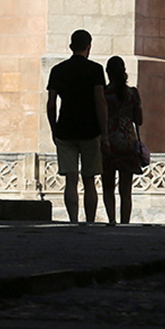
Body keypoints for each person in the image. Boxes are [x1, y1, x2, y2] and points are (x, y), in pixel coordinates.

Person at [46, 30, 110, 223]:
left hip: (65, 128)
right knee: (89, 180)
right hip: (90, 130)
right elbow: (100, 101)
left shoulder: (57, 70)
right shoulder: (95, 70)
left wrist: (53, 127)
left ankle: (73, 220)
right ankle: (90, 221)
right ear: (88, 46)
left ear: (71, 46)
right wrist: (105, 132)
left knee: (70, 180)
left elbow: (51, 103)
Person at [100, 56, 144, 225]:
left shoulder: (103, 94)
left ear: (108, 73)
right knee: (126, 190)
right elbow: (139, 120)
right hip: (128, 142)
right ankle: (125, 222)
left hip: (108, 142)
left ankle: (112, 219)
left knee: (108, 187)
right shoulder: (132, 93)